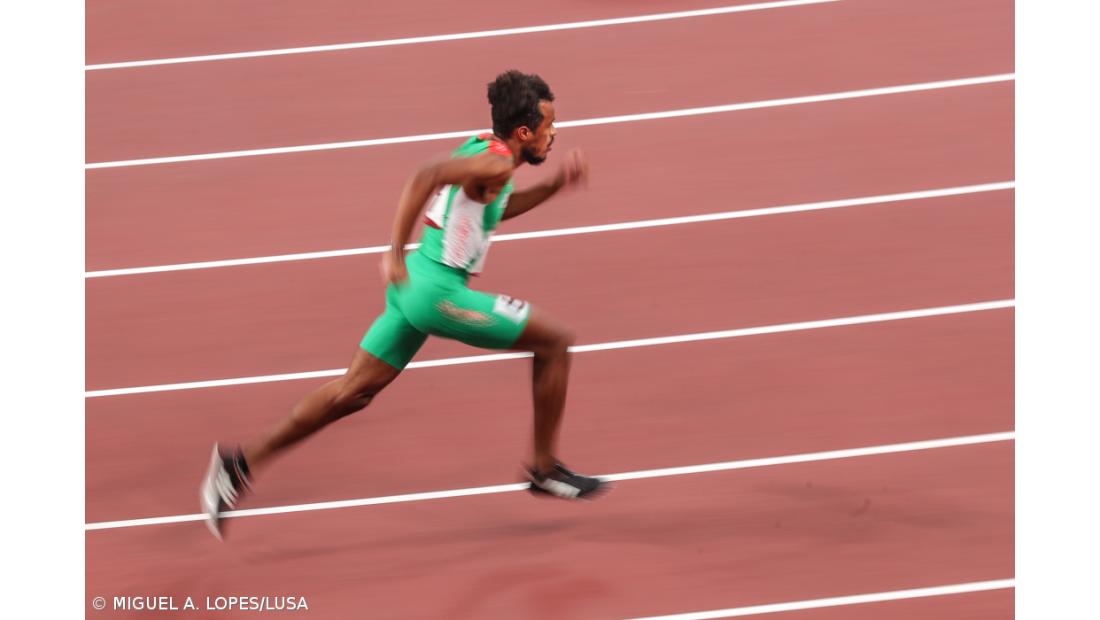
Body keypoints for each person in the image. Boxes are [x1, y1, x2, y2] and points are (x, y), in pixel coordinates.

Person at [201, 70, 605, 539]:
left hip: (414, 288)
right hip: (438, 296)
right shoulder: (496, 166)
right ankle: (543, 468)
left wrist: (556, 186)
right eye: (549, 126)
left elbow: (498, 208)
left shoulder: (486, 151)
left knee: (351, 393)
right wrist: (393, 248)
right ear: (523, 133)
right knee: (556, 344)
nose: (554, 134)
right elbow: (425, 175)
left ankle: (236, 467)